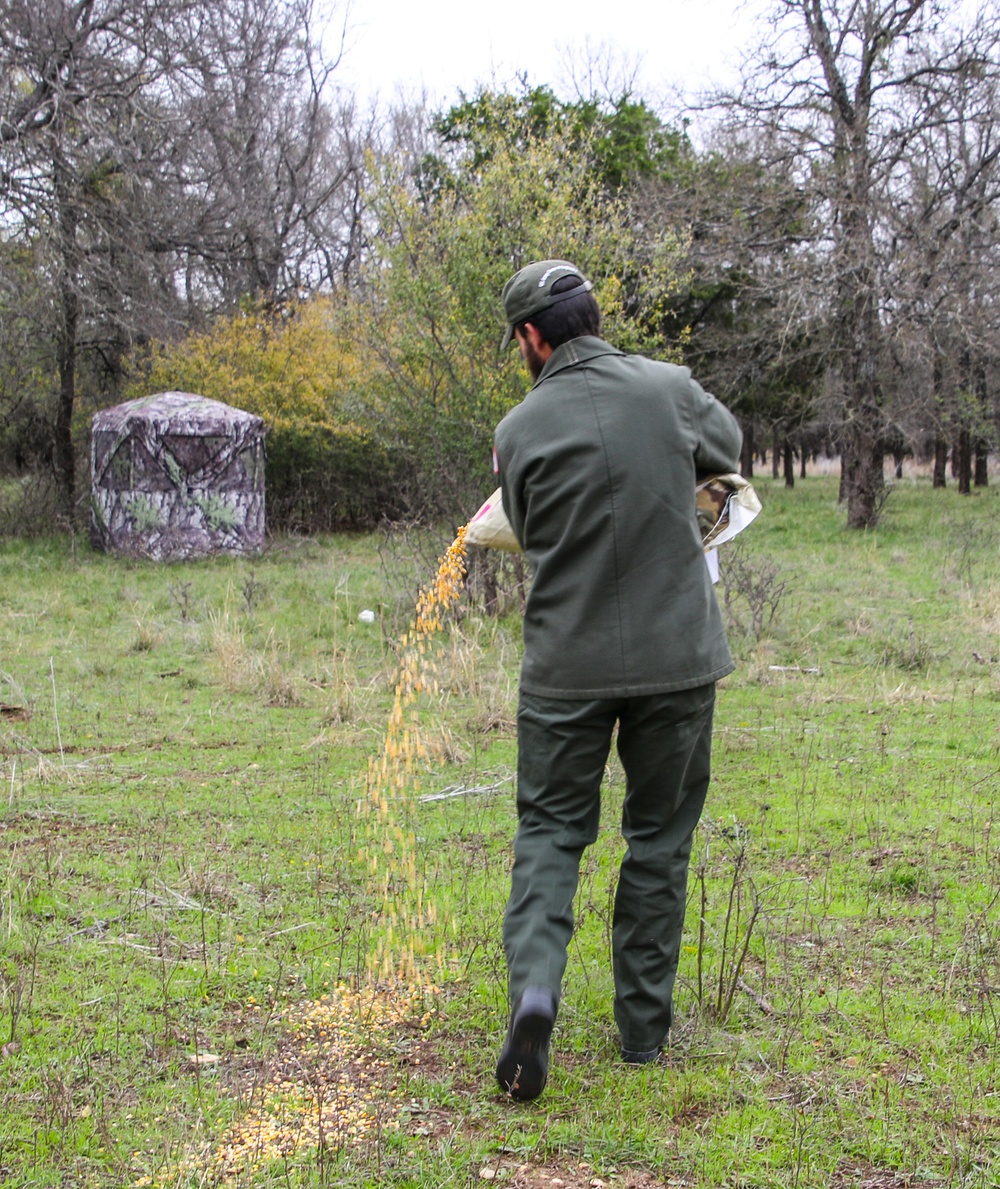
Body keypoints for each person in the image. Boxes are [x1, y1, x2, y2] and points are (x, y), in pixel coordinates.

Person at [492, 259, 743, 1101]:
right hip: (677, 660)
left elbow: (526, 531)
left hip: (567, 666)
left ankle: (537, 990)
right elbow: (729, 449)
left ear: (533, 337)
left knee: (553, 831)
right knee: (659, 839)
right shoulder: (670, 389)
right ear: (593, 318)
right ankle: (642, 1036)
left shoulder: (518, 430)